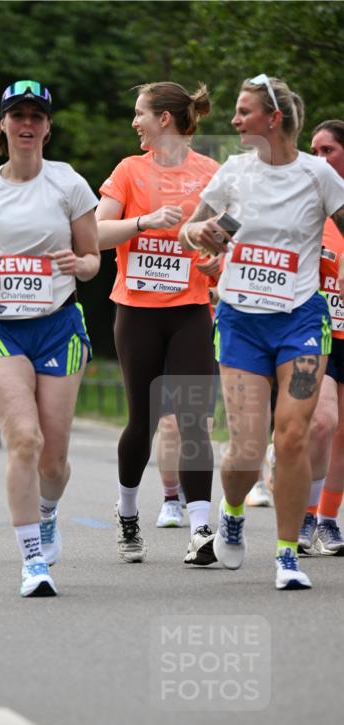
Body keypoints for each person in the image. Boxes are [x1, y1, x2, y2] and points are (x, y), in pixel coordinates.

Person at [180, 76, 344, 589]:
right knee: (247, 448)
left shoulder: (318, 175)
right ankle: (231, 511)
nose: (234, 120)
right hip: (241, 321)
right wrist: (198, 233)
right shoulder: (233, 172)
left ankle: (287, 553)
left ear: (273, 119)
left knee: (293, 436)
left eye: (243, 112)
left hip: (300, 320)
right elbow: (191, 228)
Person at [0, 80, 100, 597]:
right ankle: (32, 561)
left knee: (54, 460)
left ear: (47, 127)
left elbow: (91, 260)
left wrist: (77, 262)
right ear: (3, 124)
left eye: (36, 116)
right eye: (17, 115)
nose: (27, 124)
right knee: (24, 439)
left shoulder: (68, 184)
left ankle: (46, 512)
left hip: (59, 326)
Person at [97, 81, 221, 566]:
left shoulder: (211, 173)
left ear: (163, 119)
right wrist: (144, 222)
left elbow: (227, 238)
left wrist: (217, 263)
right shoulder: (129, 170)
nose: (134, 122)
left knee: (193, 420)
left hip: (190, 310)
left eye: (140, 114)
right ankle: (128, 512)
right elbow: (96, 236)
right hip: (137, 312)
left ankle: (201, 529)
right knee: (142, 420)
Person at [297, 119, 344, 555]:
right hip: (319, 329)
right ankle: (306, 515)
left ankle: (328, 521)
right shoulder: (311, 206)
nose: (318, 158)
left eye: (327, 150)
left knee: (342, 434)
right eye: (313, 149)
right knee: (321, 423)